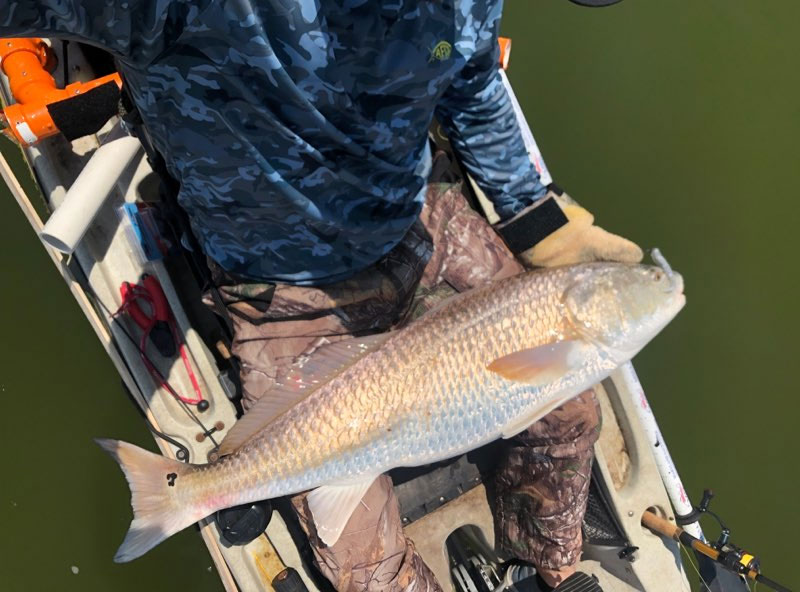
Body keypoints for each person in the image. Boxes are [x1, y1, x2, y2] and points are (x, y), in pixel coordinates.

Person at [1, 1, 639, 589]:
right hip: (280, 290)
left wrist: (538, 222)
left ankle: (542, 570)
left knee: (569, 413)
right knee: (362, 562)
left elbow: (471, 83)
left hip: (423, 227)